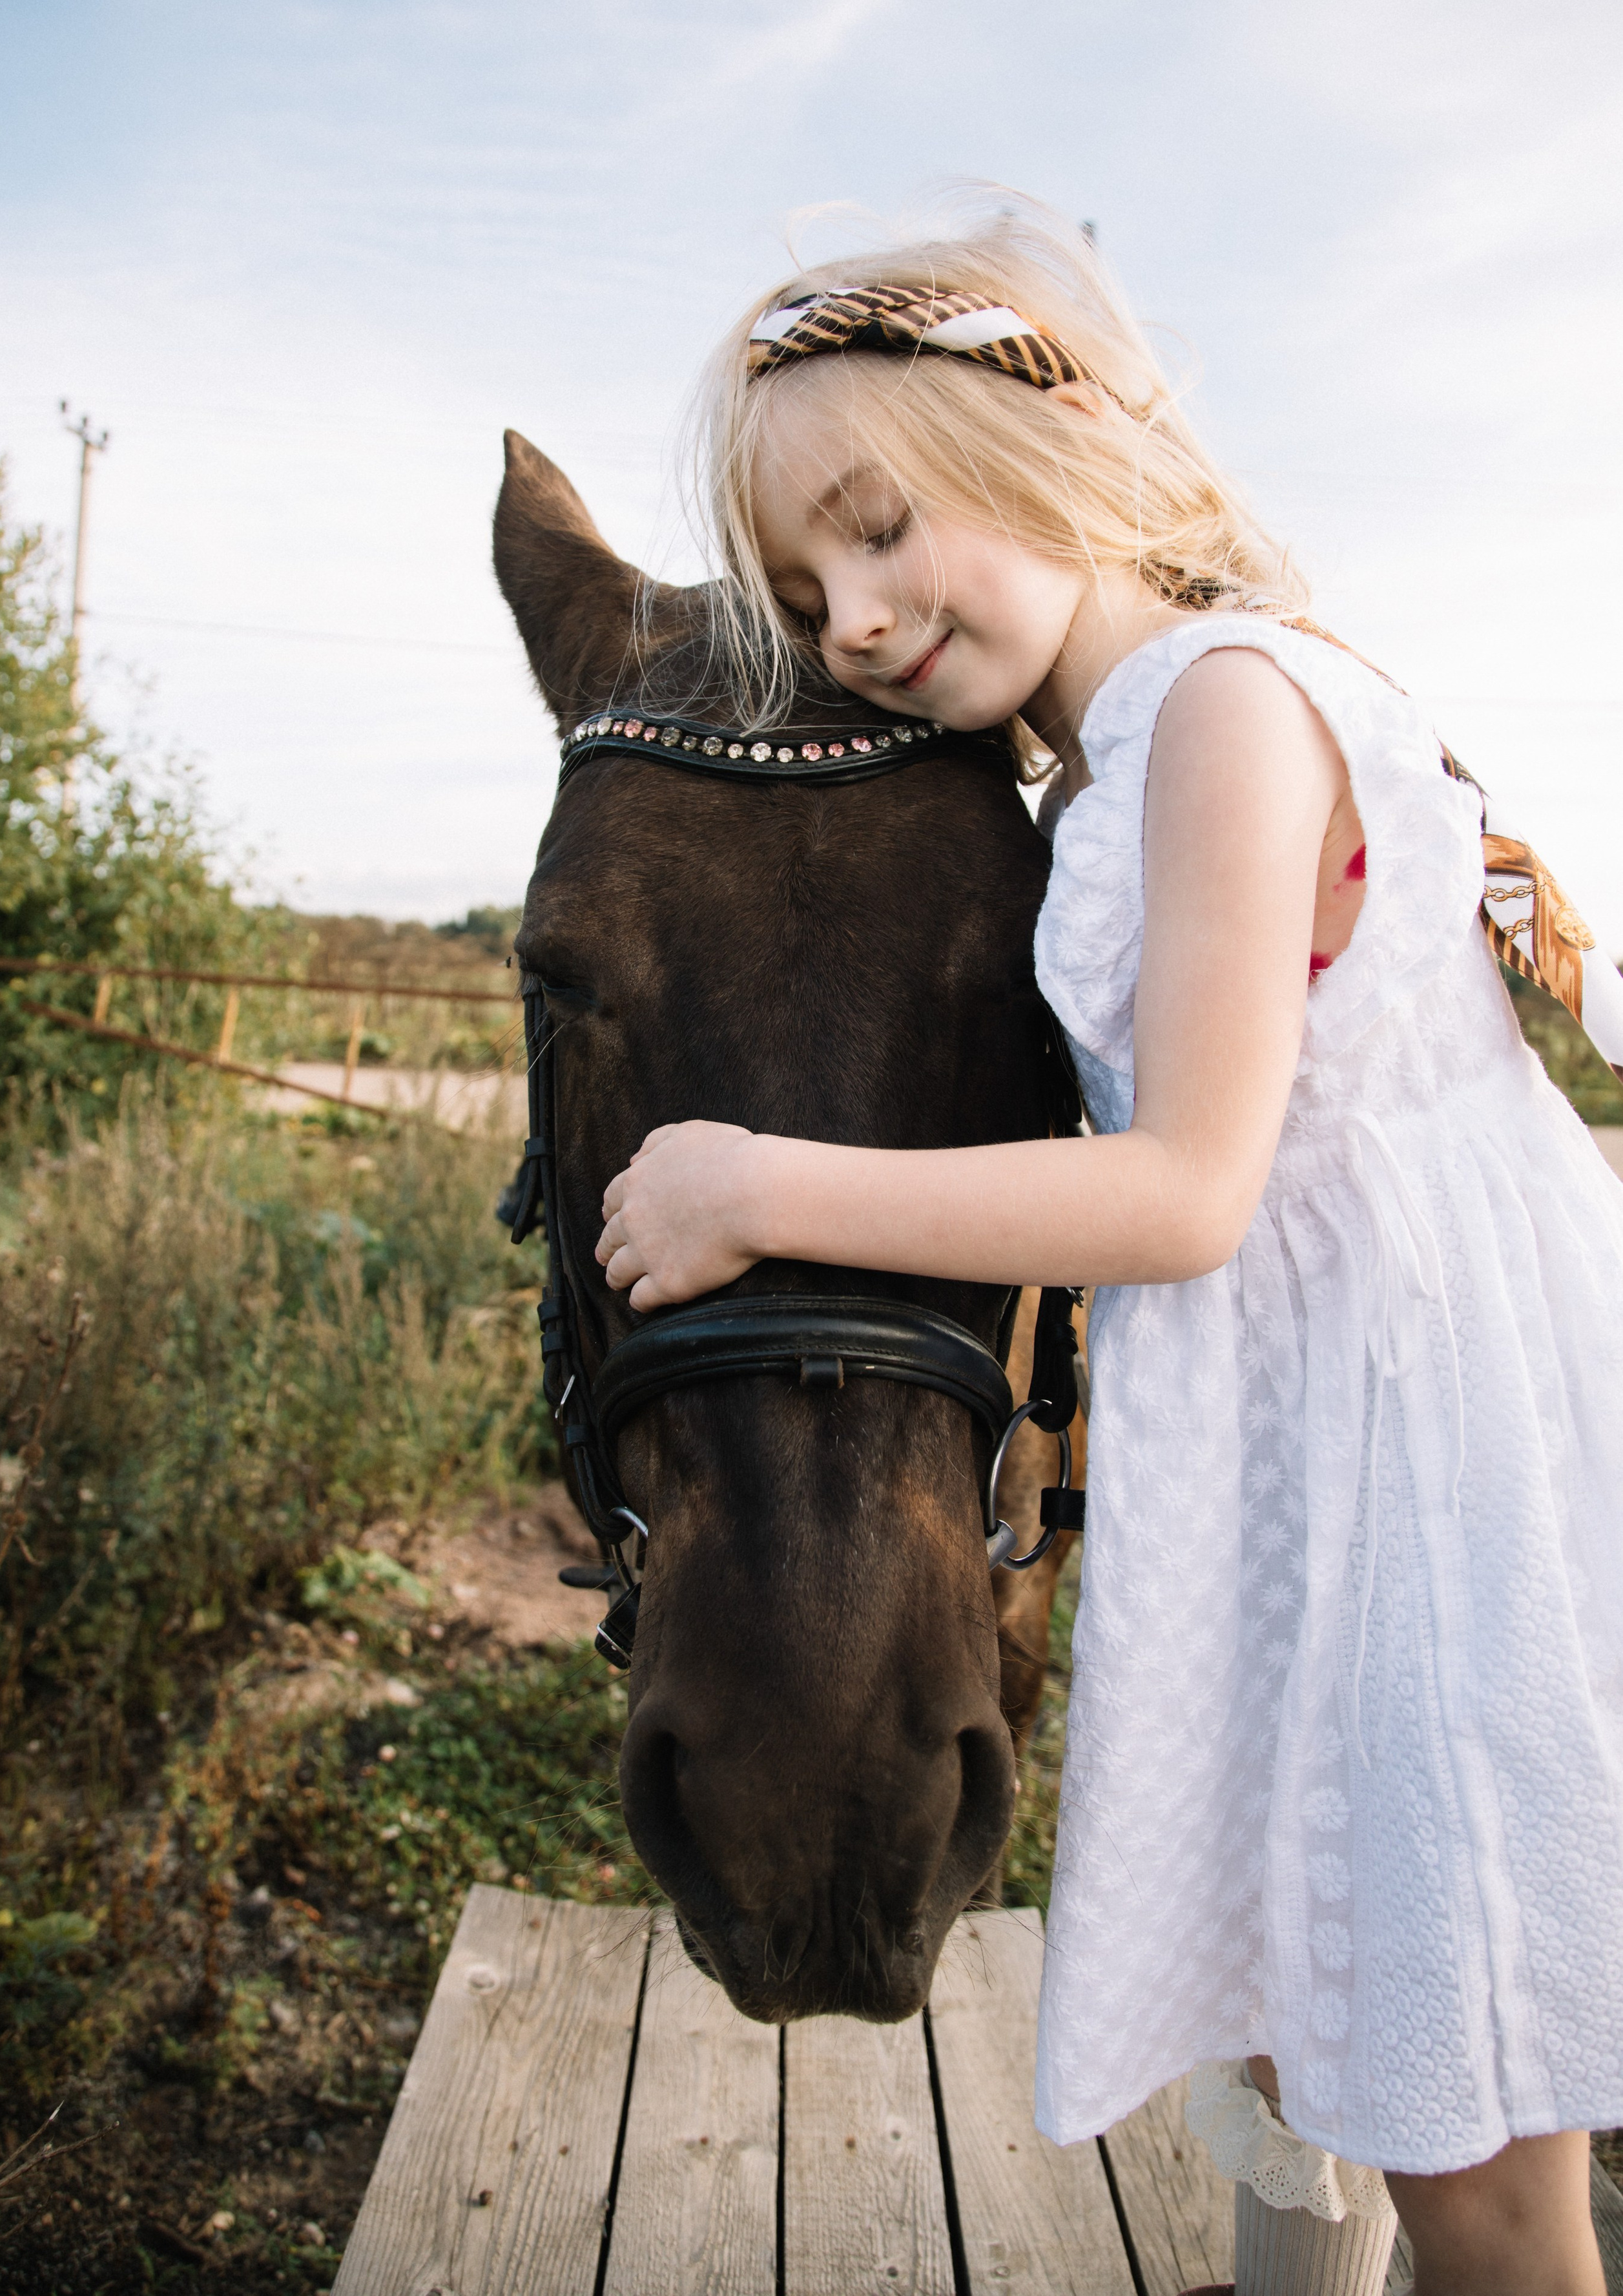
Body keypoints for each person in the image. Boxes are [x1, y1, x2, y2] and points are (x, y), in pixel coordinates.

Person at [590, 205, 1623, 2296]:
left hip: (1421, 1487)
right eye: (810, 588)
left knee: (1488, 2176)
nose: (860, 619)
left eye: (882, 532)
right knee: (1344, 2041)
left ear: (1048, 446)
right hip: (1323, 1463)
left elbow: (1190, 1192)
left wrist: (752, 1187)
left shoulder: (1231, 714)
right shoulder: (1128, 756)